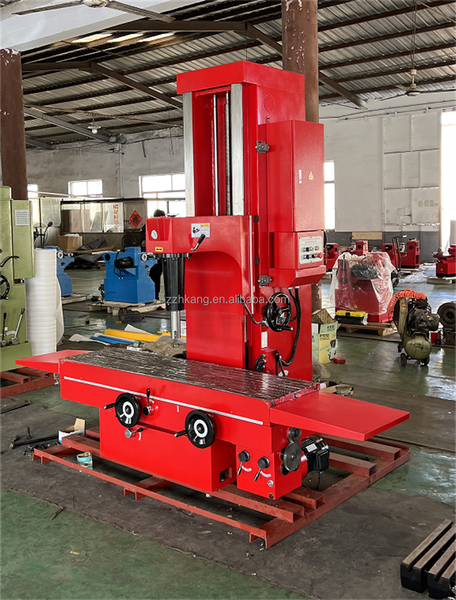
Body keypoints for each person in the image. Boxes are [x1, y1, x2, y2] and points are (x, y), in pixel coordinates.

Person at [149, 209, 166, 300]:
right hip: (165, 256)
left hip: (155, 256)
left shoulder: (150, 225)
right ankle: (169, 297)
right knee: (166, 278)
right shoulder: (166, 225)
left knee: (154, 276)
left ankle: (155, 296)